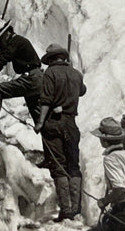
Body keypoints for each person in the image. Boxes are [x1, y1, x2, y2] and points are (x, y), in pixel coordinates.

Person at [33, 44, 85, 222]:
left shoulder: (50, 73)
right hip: (71, 123)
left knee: (59, 166)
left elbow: (46, 99)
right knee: (73, 165)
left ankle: (66, 210)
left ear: (51, 59)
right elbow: (83, 91)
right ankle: (76, 209)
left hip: (54, 123)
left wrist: (40, 122)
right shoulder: (76, 73)